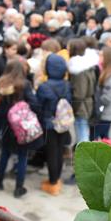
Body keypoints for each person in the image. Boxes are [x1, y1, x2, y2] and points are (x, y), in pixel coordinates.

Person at [0, 58, 39, 198]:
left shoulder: (0, 83)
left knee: (5, 153)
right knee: (22, 156)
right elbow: (34, 103)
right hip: (21, 126)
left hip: (5, 125)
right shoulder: (24, 84)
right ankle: (18, 188)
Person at [36, 54, 73, 195]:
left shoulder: (44, 87)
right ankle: (57, 179)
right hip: (63, 123)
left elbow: (39, 107)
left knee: (51, 153)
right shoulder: (67, 85)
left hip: (49, 124)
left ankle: (52, 183)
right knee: (59, 151)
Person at [67, 39, 99, 144]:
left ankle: (83, 158)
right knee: (83, 131)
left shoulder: (78, 69)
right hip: (87, 103)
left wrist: (74, 108)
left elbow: (79, 94)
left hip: (82, 106)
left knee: (82, 134)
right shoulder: (87, 65)